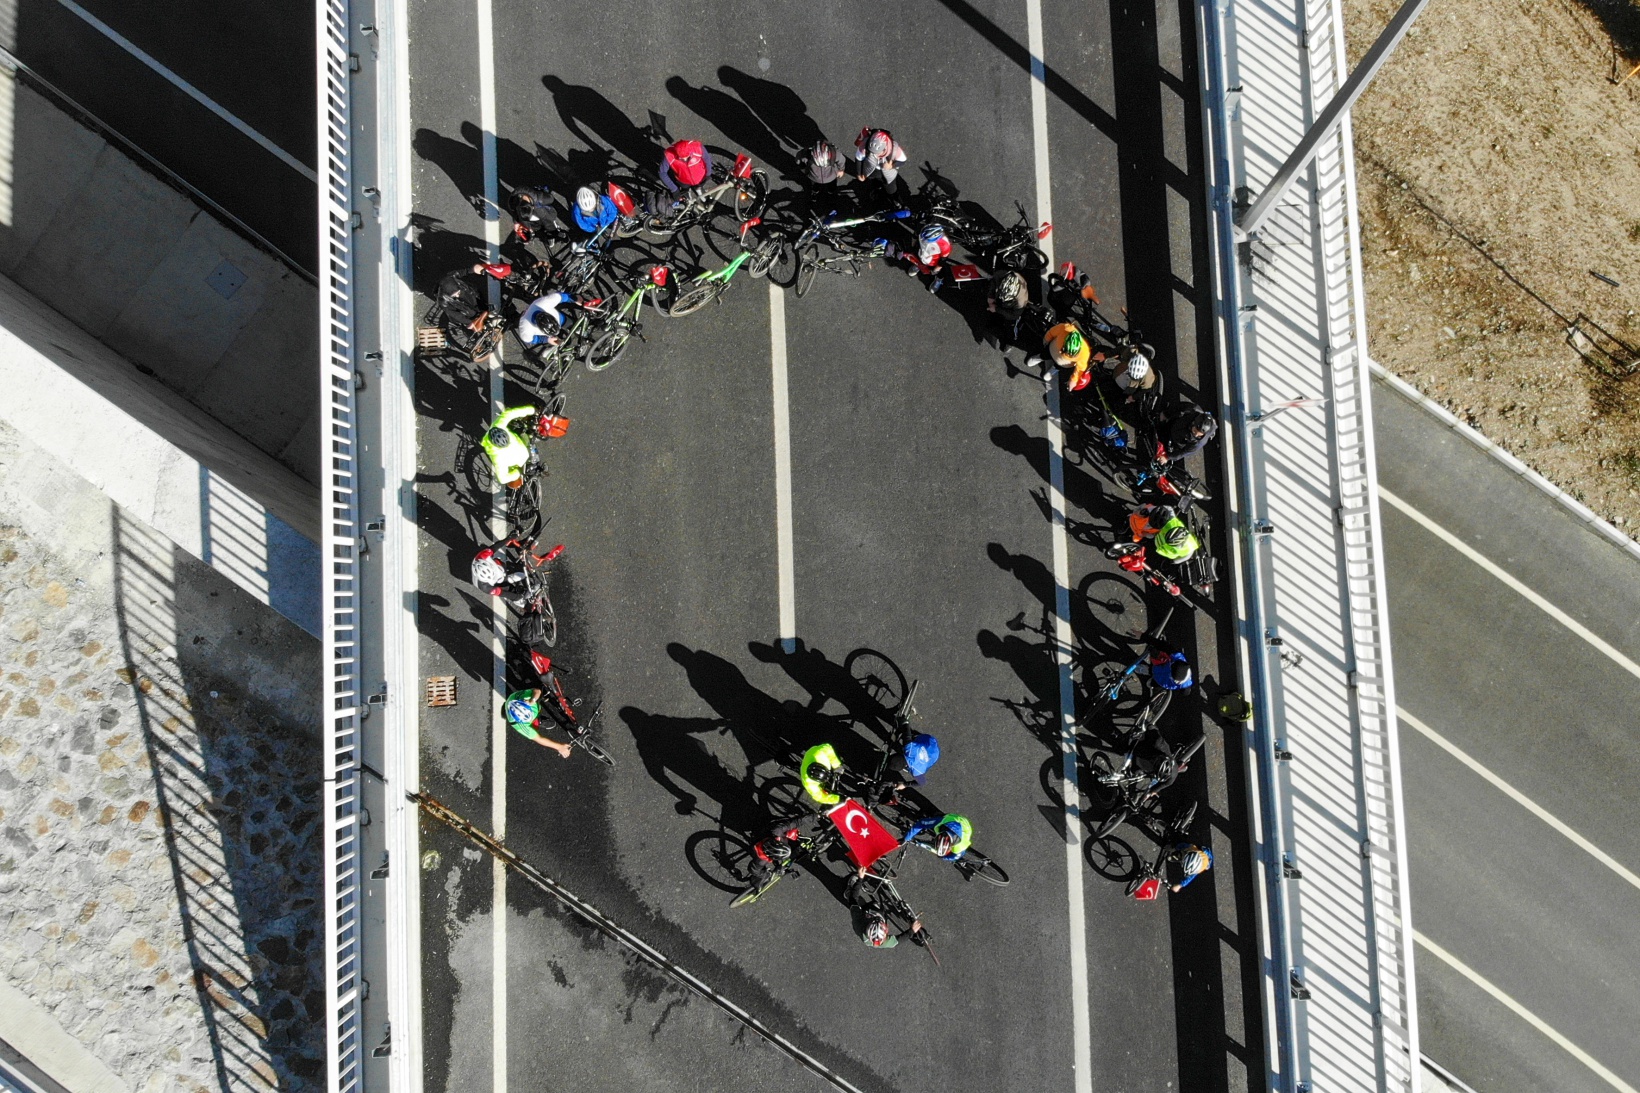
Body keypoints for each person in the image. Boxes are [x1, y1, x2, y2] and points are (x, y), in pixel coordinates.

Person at [845, 874, 926, 949]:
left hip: (865, 914)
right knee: (878, 909)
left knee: (854, 901)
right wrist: (912, 931)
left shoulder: (858, 924)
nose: (877, 919)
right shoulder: (886, 942)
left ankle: (847, 893)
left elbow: (854, 899)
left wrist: (860, 878)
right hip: (872, 915)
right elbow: (898, 940)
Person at [1025, 321, 1094, 391]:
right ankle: (1040, 357)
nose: (1061, 352)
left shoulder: (1085, 353)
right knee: (1045, 354)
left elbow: (1079, 370)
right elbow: (1052, 332)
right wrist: (1046, 339)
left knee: (1059, 366)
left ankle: (1053, 368)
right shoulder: (1066, 328)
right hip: (1052, 350)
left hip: (1063, 363)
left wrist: (1073, 380)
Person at [504, 689, 573, 758]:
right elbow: (538, 738)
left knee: (539, 696)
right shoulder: (519, 725)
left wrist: (533, 700)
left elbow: (537, 691)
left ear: (525, 702)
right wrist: (559, 747)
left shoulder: (519, 696)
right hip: (533, 711)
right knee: (534, 727)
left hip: (533, 704)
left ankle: (537, 717)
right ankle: (538, 720)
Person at [482, 405, 537, 488]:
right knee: (528, 437)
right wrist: (532, 410)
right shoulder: (497, 457)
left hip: (521, 456)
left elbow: (510, 413)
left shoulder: (498, 425)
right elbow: (503, 479)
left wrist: (531, 410)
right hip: (521, 457)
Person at [1128, 503, 1201, 564]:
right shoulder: (1173, 522)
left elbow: (1151, 535)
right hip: (1161, 545)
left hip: (1158, 541)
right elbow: (1168, 509)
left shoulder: (1189, 547)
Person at [471, 541, 531, 611]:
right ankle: (524, 606)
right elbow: (504, 594)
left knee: (501, 560)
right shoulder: (486, 588)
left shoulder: (481, 556)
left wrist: (509, 538)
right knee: (509, 590)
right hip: (492, 583)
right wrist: (518, 597)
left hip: (494, 571)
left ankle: (514, 574)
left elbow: (494, 547)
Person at [903, 813, 972, 860]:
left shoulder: (959, 848)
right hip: (954, 819)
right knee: (935, 817)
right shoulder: (944, 821)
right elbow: (922, 823)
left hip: (964, 826)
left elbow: (956, 857)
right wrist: (906, 838)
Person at [904, 224, 951, 290]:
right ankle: (918, 266)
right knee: (918, 259)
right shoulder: (923, 230)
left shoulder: (945, 245)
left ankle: (939, 279)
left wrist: (935, 270)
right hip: (921, 253)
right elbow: (915, 236)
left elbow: (943, 260)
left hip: (933, 261)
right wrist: (913, 247)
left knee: (940, 272)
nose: (923, 240)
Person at [799, 742, 844, 806]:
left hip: (812, 752)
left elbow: (828, 748)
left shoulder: (818, 753)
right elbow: (819, 797)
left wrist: (836, 765)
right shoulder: (808, 783)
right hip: (807, 764)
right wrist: (836, 799)